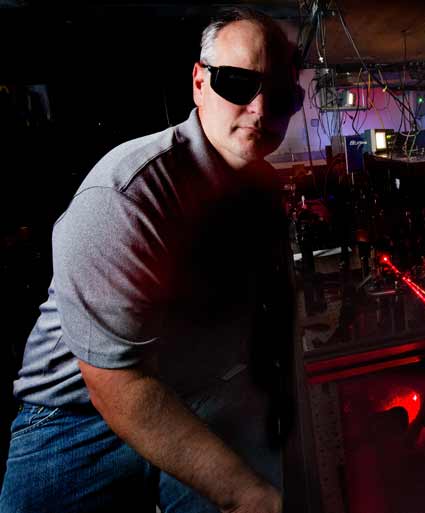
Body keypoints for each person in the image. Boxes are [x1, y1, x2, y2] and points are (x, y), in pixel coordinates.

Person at [0, 7, 302, 513]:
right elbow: (116, 382)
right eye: (238, 84)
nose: (260, 108)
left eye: (282, 96)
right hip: (79, 418)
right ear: (199, 84)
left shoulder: (262, 189)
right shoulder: (127, 195)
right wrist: (248, 495)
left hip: (196, 391)